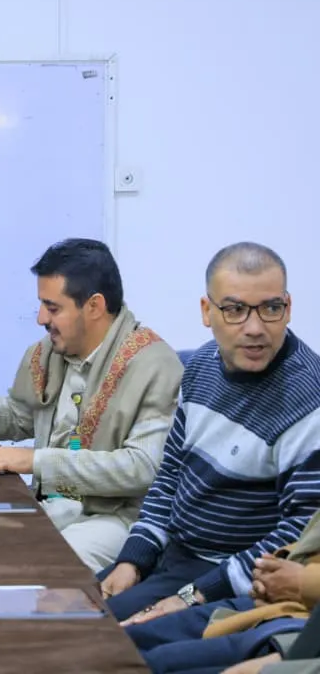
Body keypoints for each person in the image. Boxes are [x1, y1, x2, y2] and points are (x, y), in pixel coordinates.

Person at [0, 238, 183, 572]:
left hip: (113, 517)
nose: (41, 317)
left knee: (49, 568)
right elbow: (22, 415)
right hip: (49, 505)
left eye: (53, 307)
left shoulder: (154, 364)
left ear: (95, 306)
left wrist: (35, 461)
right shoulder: (50, 352)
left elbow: (141, 468)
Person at [100, 242, 320, 628]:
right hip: (174, 556)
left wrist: (192, 596)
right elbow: (171, 474)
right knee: (68, 612)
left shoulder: (308, 397)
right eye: (235, 310)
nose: (254, 328)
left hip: (234, 581)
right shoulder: (201, 366)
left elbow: (297, 535)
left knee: (107, 642)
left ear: (288, 307)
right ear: (207, 311)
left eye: (271, 308)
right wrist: (133, 558)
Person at [127, 509, 320, 673]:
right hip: (271, 598)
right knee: (126, 638)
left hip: (295, 619)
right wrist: (276, 569)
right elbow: (165, 488)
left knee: (153, 660)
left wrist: (303, 582)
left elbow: (294, 527)